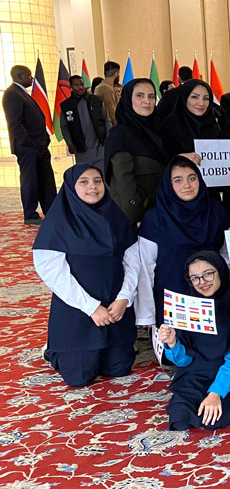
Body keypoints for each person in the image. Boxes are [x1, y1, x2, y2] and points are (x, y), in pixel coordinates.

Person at [32, 164, 140, 387]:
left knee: (119, 368)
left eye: (97, 181)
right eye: (84, 182)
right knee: (79, 377)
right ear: (71, 187)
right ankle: (54, 348)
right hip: (78, 311)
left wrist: (125, 298)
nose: (93, 187)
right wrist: (90, 307)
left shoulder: (116, 217)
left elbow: (133, 261)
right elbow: (53, 272)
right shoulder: (58, 222)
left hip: (115, 308)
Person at [157, 251, 230, 431]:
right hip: (194, 374)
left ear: (221, 271)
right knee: (179, 418)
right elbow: (183, 361)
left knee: (212, 421)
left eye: (208, 274)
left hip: (227, 374)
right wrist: (173, 343)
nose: (202, 282)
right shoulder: (186, 308)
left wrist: (215, 393)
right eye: (195, 278)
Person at [137, 155, 230, 328]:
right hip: (173, 303)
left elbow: (228, 255)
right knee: (177, 345)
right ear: (168, 184)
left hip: (213, 299)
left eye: (192, 178)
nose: (186, 185)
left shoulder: (216, 211)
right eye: (178, 180)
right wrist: (146, 314)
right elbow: (145, 268)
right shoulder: (155, 219)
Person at [104, 79, 167, 223]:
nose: (147, 101)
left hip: (159, 211)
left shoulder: (156, 130)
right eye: (139, 96)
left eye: (151, 96)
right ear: (128, 99)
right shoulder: (121, 134)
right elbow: (123, 180)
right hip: (138, 217)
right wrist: (135, 215)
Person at [4, 65, 56, 225]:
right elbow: (15, 123)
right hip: (28, 147)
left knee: (46, 179)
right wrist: (30, 143)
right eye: (29, 76)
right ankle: (30, 214)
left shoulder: (22, 93)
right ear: (20, 77)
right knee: (30, 180)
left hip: (39, 146)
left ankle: (52, 210)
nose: (32, 79)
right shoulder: (12, 94)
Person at [160, 79, 226, 158]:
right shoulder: (169, 127)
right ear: (184, 98)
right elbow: (162, 157)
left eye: (206, 98)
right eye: (195, 97)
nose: (201, 103)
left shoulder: (213, 125)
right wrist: (179, 158)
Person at [59, 75, 110, 168]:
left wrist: (108, 138)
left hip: (100, 146)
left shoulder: (96, 100)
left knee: (102, 173)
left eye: (82, 84)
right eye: (76, 85)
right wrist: (69, 143)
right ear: (71, 87)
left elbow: (107, 119)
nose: (80, 87)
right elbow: (64, 126)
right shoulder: (66, 106)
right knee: (86, 172)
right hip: (81, 150)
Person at [92, 61, 120, 127]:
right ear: (116, 73)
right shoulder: (106, 88)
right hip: (109, 125)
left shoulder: (102, 86)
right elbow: (111, 111)